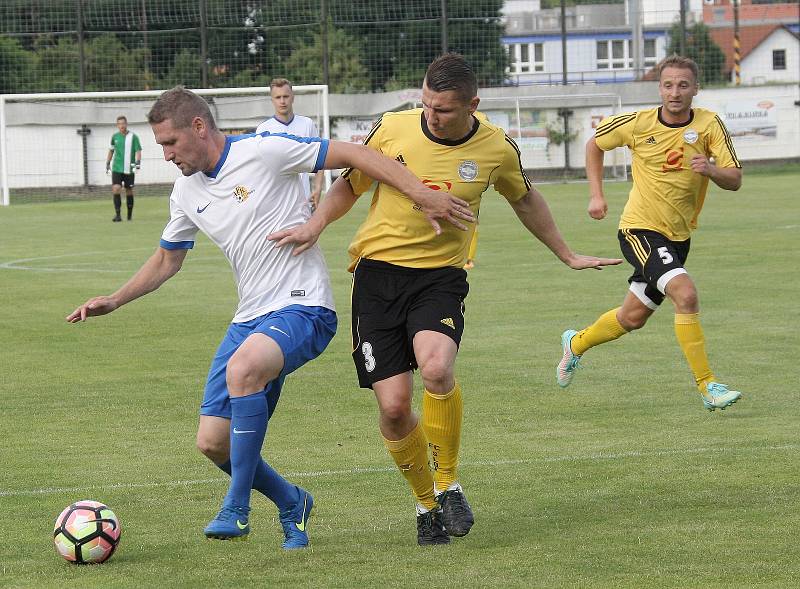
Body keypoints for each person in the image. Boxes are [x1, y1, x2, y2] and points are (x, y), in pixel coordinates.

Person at [67, 86, 471, 549]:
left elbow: (358, 154)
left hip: (304, 306)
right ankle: (291, 500)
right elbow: (167, 260)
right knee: (212, 443)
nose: (166, 154)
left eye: (170, 143)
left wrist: (420, 193)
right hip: (251, 317)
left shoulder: (265, 149)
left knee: (243, 369)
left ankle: (236, 507)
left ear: (199, 127)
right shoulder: (185, 191)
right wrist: (115, 300)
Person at [268, 53, 621, 546]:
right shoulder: (393, 130)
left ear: (473, 104)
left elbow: (524, 198)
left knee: (436, 369)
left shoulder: (496, 147)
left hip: (441, 278)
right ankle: (426, 504)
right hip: (376, 278)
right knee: (393, 408)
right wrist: (314, 224)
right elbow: (351, 185)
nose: (432, 116)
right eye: (427, 105)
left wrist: (565, 253)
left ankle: (449, 482)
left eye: (445, 110)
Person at [556, 55, 743, 412]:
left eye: (683, 85)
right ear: (659, 88)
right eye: (668, 85)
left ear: (695, 89)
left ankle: (575, 344)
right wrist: (596, 194)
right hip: (639, 230)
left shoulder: (709, 125)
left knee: (632, 318)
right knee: (685, 295)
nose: (675, 92)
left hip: (678, 237)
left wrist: (711, 170)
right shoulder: (638, 123)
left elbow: (734, 178)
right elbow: (595, 144)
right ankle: (708, 387)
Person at [256, 78, 325, 210]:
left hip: (303, 201)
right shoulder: (264, 130)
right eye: (278, 97)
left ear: (292, 97)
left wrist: (318, 188)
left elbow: (320, 158)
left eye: (286, 96)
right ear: (272, 100)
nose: (282, 101)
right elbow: (260, 169)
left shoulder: (307, 124)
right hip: (276, 204)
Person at [106, 115, 142, 222]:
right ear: (117, 125)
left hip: (129, 168)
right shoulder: (114, 137)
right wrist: (108, 163)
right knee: (116, 188)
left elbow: (138, 150)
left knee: (129, 190)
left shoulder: (133, 137)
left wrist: (138, 162)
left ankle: (129, 216)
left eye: (123, 123)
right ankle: (118, 215)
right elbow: (111, 150)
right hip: (117, 168)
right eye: (119, 124)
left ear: (126, 124)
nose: (122, 125)